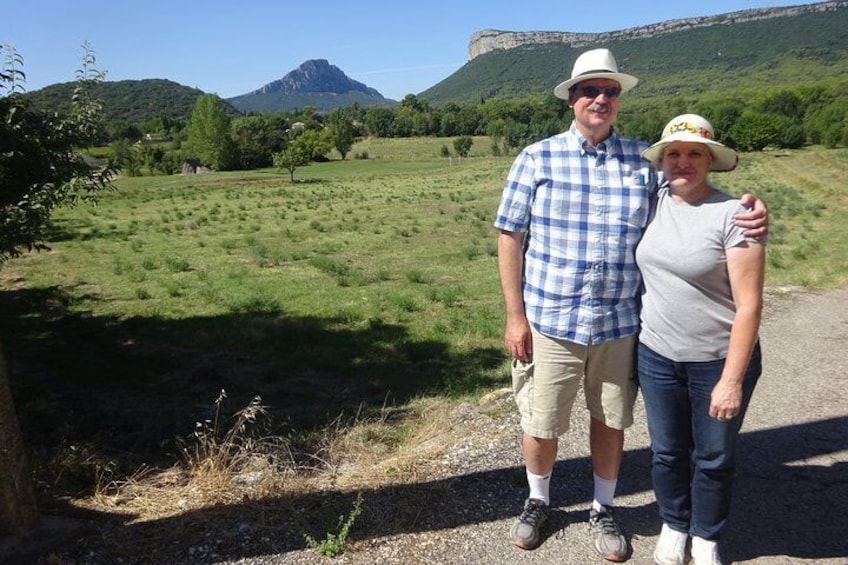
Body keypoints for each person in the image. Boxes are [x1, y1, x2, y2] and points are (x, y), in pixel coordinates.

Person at [493, 49, 768, 562]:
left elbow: (697, 189)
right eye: (589, 91)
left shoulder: (645, 162)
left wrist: (748, 206)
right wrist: (515, 316)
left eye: (610, 91)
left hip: (622, 324)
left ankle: (603, 506)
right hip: (551, 320)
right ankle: (538, 500)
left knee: (611, 420)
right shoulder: (536, 157)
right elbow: (510, 236)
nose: (600, 98)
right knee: (540, 420)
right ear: (571, 100)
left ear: (618, 101)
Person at [635, 114, 765, 565]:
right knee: (667, 452)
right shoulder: (650, 201)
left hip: (717, 359)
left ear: (710, 161)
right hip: (656, 355)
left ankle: (707, 535)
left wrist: (731, 380)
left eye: (695, 154)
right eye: (674, 153)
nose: (683, 162)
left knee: (713, 456)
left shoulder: (735, 215)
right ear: (662, 160)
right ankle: (674, 524)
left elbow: (749, 306)